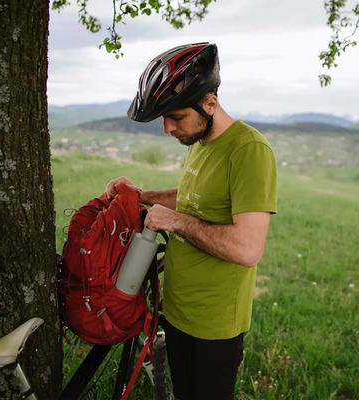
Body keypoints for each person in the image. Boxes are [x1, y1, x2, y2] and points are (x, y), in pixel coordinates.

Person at [106, 42, 277, 400]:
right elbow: (192, 198)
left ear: (210, 103)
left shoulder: (249, 150)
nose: (168, 129)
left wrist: (176, 222)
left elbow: (247, 249)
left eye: (177, 117)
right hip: (179, 312)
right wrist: (141, 195)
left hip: (213, 326)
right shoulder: (200, 141)